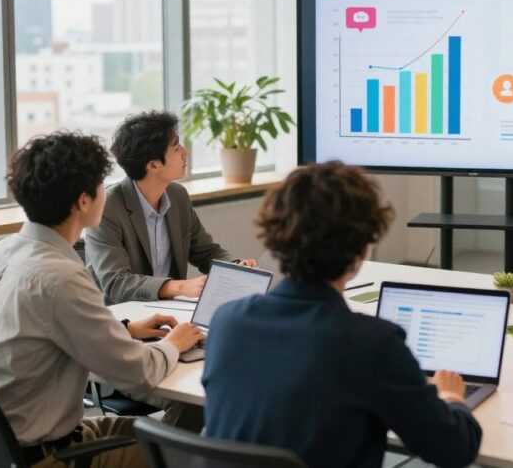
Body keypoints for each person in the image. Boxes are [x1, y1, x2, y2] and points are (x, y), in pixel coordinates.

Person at [202, 162, 482, 468]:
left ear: (276, 239)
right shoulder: (372, 344)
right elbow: (454, 450)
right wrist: (452, 398)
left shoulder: (227, 320)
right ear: (361, 251)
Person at [0, 132, 204, 468]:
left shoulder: (1, 253)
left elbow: (42, 329)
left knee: (166, 433)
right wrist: (174, 343)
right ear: (84, 201)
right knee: (185, 450)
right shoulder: (59, 275)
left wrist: (124, 329)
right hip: (46, 456)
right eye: (102, 184)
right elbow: (139, 373)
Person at [85, 111, 254, 304]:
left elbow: (206, 252)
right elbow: (116, 283)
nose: (185, 152)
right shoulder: (107, 208)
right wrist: (180, 287)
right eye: (176, 148)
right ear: (153, 165)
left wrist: (236, 267)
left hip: (169, 311)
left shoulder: (178, 196)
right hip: (122, 318)